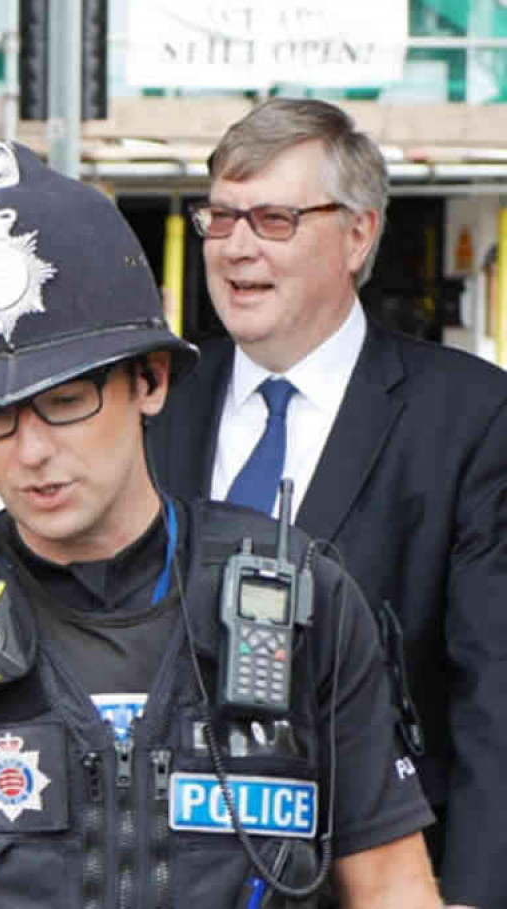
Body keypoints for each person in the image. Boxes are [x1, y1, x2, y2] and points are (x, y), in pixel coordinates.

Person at [0, 138, 441, 909]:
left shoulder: (304, 607)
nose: (29, 452)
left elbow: (392, 885)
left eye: (64, 402)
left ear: (149, 381)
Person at [148, 97, 507, 909]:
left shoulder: (471, 417)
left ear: (358, 234)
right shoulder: (155, 401)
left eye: (274, 218)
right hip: (169, 870)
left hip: (379, 871)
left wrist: (476, 893)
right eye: (222, 216)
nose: (236, 246)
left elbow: (496, 684)